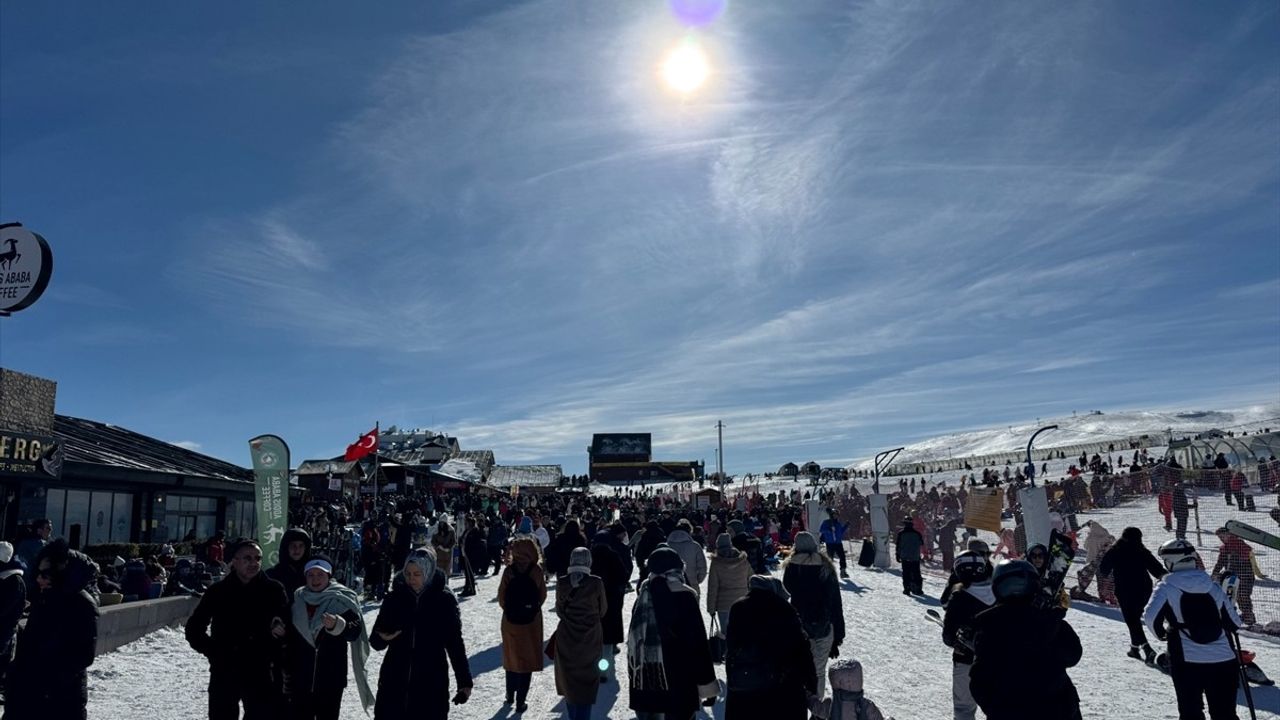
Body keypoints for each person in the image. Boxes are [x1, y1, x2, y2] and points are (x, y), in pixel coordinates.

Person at [185, 538, 290, 720]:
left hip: (261, 670)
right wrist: (214, 651)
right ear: (234, 561)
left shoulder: (273, 590)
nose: (254, 563)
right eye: (247, 558)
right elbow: (194, 628)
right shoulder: (218, 591)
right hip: (225, 669)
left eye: (258, 558)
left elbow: (287, 624)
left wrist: (281, 632)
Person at [1145, 538, 1244, 720]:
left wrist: (1163, 635)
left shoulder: (1166, 587)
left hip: (1187, 661)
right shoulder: (1213, 586)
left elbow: (1150, 617)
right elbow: (1235, 624)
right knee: (1225, 714)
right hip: (1223, 659)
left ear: (1170, 562)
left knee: (1191, 712)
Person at [969, 560, 1082, 720]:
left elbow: (979, 680)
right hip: (1058, 709)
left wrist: (997, 710)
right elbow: (1073, 655)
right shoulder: (1048, 619)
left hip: (1012, 711)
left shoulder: (989, 626)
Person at [370, 549, 473, 720]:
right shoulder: (394, 599)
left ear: (428, 572)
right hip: (394, 681)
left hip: (430, 682)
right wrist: (383, 637)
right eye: (408, 573)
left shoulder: (444, 601)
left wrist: (464, 682)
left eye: (417, 574)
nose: (411, 579)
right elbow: (375, 641)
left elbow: (455, 644)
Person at [4, 539, 99, 720]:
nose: (39, 578)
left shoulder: (82, 605)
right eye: (38, 572)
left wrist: (45, 683)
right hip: (31, 691)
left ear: (62, 570)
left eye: (46, 574)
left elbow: (82, 655)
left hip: (59, 698)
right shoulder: (44, 598)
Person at [628, 546, 718, 719]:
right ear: (678, 569)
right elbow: (698, 644)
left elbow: (635, 641)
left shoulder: (643, 596)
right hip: (680, 681)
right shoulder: (685, 597)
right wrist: (707, 684)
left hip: (647, 681)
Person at [285, 555, 373, 720]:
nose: (315, 579)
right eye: (311, 575)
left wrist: (337, 625)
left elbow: (355, 632)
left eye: (321, 574)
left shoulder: (341, 599)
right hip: (300, 678)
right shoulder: (297, 599)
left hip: (330, 679)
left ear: (329, 576)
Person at [724, 575, 818, 720]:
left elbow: (731, 647)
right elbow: (802, 651)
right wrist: (812, 686)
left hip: (745, 686)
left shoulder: (738, 607)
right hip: (782, 691)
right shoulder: (785, 609)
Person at [782, 532, 845, 702]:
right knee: (819, 671)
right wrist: (838, 635)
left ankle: (799, 703)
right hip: (824, 625)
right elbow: (835, 603)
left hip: (799, 625)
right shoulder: (826, 566)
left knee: (798, 667)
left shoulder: (791, 567)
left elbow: (786, 593)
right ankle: (817, 707)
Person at [1096, 526, 1165, 663]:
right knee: (1134, 619)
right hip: (1144, 589)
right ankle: (1134, 648)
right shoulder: (1141, 550)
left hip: (1125, 590)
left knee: (1132, 620)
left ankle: (1147, 649)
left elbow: (1103, 569)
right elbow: (1157, 570)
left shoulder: (1115, 551)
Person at [554, 547, 607, 720]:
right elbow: (603, 610)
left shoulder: (562, 582)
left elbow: (560, 611)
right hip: (590, 636)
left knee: (569, 682)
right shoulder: (596, 582)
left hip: (567, 636)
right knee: (587, 683)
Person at [942, 551, 995, 720]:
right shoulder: (999, 591)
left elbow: (948, 636)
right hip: (996, 660)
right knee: (997, 706)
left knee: (964, 708)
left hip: (966, 659)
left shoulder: (959, 595)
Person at [499, 536, 547, 713]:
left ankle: (509, 695)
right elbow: (542, 596)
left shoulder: (509, 572)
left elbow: (501, 597)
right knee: (527, 659)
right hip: (531, 622)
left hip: (510, 621)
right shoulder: (536, 571)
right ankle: (521, 701)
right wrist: (531, 610)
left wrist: (510, 611)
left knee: (511, 656)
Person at [589, 530, 627, 677]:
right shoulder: (613, 555)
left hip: (591, 601)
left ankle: (591, 666)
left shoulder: (590, 556)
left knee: (593, 638)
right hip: (611, 601)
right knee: (607, 640)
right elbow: (623, 577)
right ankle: (603, 670)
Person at [707, 532, 751, 637]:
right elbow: (751, 578)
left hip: (723, 605)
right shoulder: (743, 560)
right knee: (741, 633)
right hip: (742, 601)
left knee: (726, 634)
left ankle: (727, 653)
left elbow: (713, 587)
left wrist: (711, 608)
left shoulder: (716, 562)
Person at [1211, 526, 1257, 626]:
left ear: (1229, 534)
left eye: (1223, 536)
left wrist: (1234, 557)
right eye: (1220, 537)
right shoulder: (1225, 548)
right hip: (1233, 577)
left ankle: (1249, 617)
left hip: (1245, 576)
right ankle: (1242, 616)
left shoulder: (1239, 544)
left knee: (1243, 596)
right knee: (1233, 596)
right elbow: (1220, 562)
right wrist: (1215, 573)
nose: (1221, 539)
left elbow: (1247, 556)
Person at [0, 541, 26, 698]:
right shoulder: (9, 579)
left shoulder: (12, 581)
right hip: (5, 629)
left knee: (3, 662)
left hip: (5, 630)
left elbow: (4, 608)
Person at [666, 519, 708, 598]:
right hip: (691, 584)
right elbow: (702, 567)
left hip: (670, 585)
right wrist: (697, 580)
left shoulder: (666, 545)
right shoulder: (695, 546)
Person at [266, 528, 313, 598]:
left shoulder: (312, 573)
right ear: (286, 547)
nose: (297, 549)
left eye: (301, 545)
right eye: (293, 545)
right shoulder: (272, 575)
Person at [15, 518, 51, 594]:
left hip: (23, 584)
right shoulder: (41, 546)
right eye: (48, 528)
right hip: (34, 586)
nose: (50, 531)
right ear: (39, 530)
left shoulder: (22, 544)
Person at [895, 517, 924, 596]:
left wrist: (897, 555)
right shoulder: (917, 533)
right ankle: (918, 589)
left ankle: (907, 589)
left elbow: (898, 545)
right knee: (916, 573)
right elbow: (921, 543)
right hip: (915, 557)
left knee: (906, 573)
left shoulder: (901, 533)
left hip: (905, 557)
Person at [819, 509, 850, 578]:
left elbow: (840, 532)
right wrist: (829, 530)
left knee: (842, 556)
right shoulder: (826, 522)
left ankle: (843, 571)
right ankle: (829, 572)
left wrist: (846, 526)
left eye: (837, 515)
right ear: (831, 515)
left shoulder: (838, 524)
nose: (835, 516)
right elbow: (821, 530)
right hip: (830, 543)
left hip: (838, 543)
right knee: (830, 558)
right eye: (834, 514)